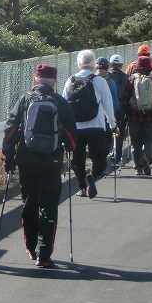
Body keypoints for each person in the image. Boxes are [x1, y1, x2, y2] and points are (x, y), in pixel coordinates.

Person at [3, 64, 76, 267]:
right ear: (53, 80)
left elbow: (10, 131)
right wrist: (69, 149)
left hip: (27, 159)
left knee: (29, 202)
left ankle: (30, 247)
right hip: (52, 161)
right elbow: (71, 135)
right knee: (49, 205)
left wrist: (8, 159)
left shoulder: (25, 99)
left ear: (35, 78)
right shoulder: (60, 102)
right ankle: (44, 255)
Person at [63, 50, 116, 198]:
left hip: (76, 128)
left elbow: (64, 106)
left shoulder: (70, 81)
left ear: (79, 63)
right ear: (93, 63)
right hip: (97, 127)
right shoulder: (99, 81)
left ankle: (82, 188)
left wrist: (65, 128)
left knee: (77, 160)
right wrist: (113, 124)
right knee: (99, 159)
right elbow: (108, 105)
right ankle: (92, 176)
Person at [120, 54, 152, 175]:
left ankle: (138, 168)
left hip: (134, 117)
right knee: (150, 141)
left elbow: (124, 99)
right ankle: (146, 159)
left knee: (135, 144)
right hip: (151, 117)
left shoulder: (130, 79)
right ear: (150, 66)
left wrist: (128, 112)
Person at [103, 54, 130, 165]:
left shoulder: (106, 77)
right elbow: (128, 95)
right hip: (121, 109)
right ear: (121, 65)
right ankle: (118, 156)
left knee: (107, 132)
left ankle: (107, 154)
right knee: (119, 133)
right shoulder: (125, 77)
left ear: (110, 64)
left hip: (107, 109)